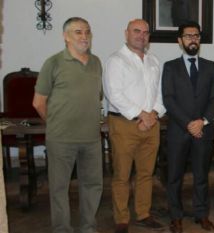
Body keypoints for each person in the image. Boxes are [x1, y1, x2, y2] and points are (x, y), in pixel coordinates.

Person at [32, 17, 103, 233]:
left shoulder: (96, 62)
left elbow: (96, 97)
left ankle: (88, 227)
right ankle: (62, 229)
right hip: (61, 139)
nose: (84, 36)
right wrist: (55, 123)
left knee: (92, 186)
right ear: (65, 36)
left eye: (87, 32)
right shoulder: (52, 63)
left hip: (91, 138)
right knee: (59, 188)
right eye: (78, 32)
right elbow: (38, 102)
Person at [103, 19, 166, 233]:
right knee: (122, 175)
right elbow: (114, 94)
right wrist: (141, 115)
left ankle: (143, 213)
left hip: (151, 124)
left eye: (145, 32)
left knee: (146, 173)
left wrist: (154, 113)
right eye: (136, 31)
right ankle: (121, 219)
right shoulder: (116, 60)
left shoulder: (154, 61)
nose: (141, 35)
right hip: (124, 124)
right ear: (126, 33)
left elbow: (160, 93)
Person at [162, 21, 214, 233]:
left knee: (202, 176)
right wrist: (188, 123)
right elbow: (168, 99)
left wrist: (201, 121)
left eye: (196, 36)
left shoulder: (210, 66)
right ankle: (176, 216)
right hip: (179, 130)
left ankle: (201, 214)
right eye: (188, 36)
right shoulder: (170, 67)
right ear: (180, 41)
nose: (193, 39)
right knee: (174, 176)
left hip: (203, 130)